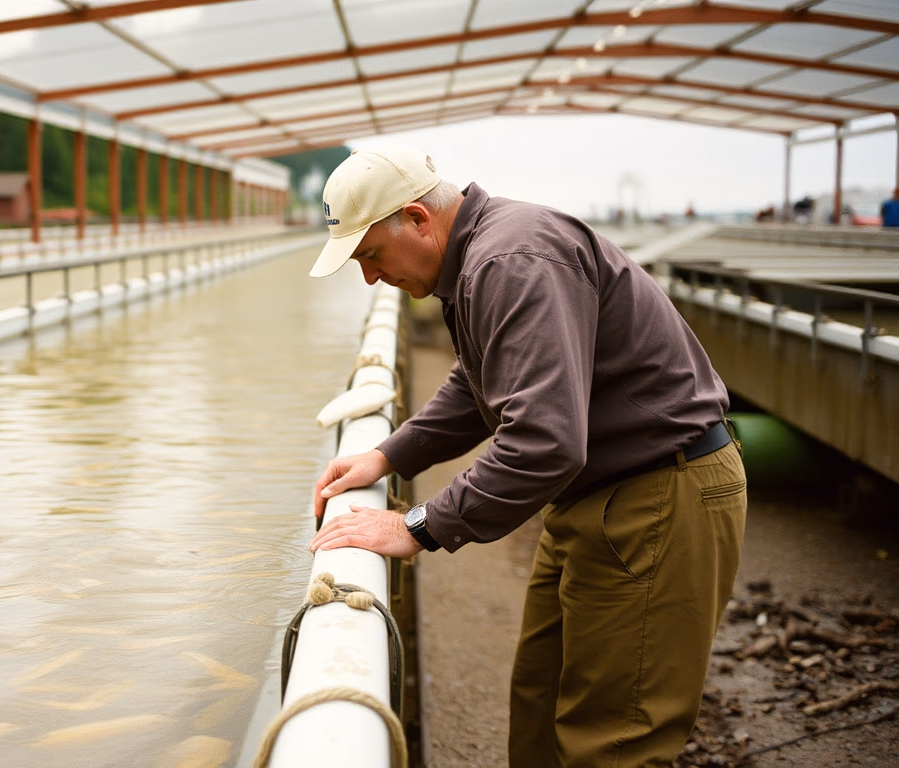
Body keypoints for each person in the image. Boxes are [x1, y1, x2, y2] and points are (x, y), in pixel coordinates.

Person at [306, 144, 747, 767]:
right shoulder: (478, 260)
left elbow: (544, 442)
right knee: (540, 700)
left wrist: (418, 525)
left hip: (657, 495)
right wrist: (387, 455)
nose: (370, 278)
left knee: (614, 738)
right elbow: (478, 381)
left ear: (417, 218)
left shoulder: (510, 260)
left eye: (371, 255)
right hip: (593, 494)